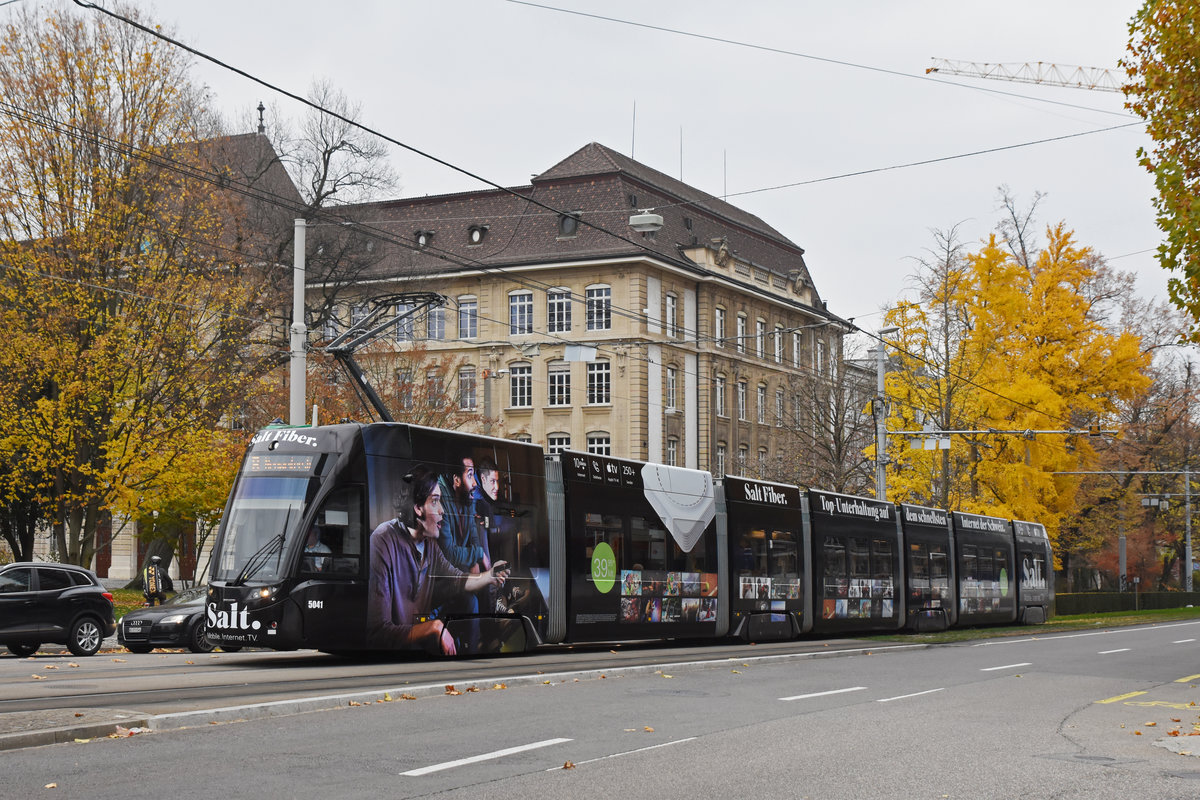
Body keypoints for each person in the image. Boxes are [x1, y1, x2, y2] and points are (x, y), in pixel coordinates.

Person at [366, 464, 508, 655]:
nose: (442, 510)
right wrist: (433, 627)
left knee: (469, 602)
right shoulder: (383, 540)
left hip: (419, 653)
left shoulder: (430, 545)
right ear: (417, 508)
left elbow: (457, 579)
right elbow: (378, 632)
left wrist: (489, 575)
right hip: (394, 656)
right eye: (435, 502)